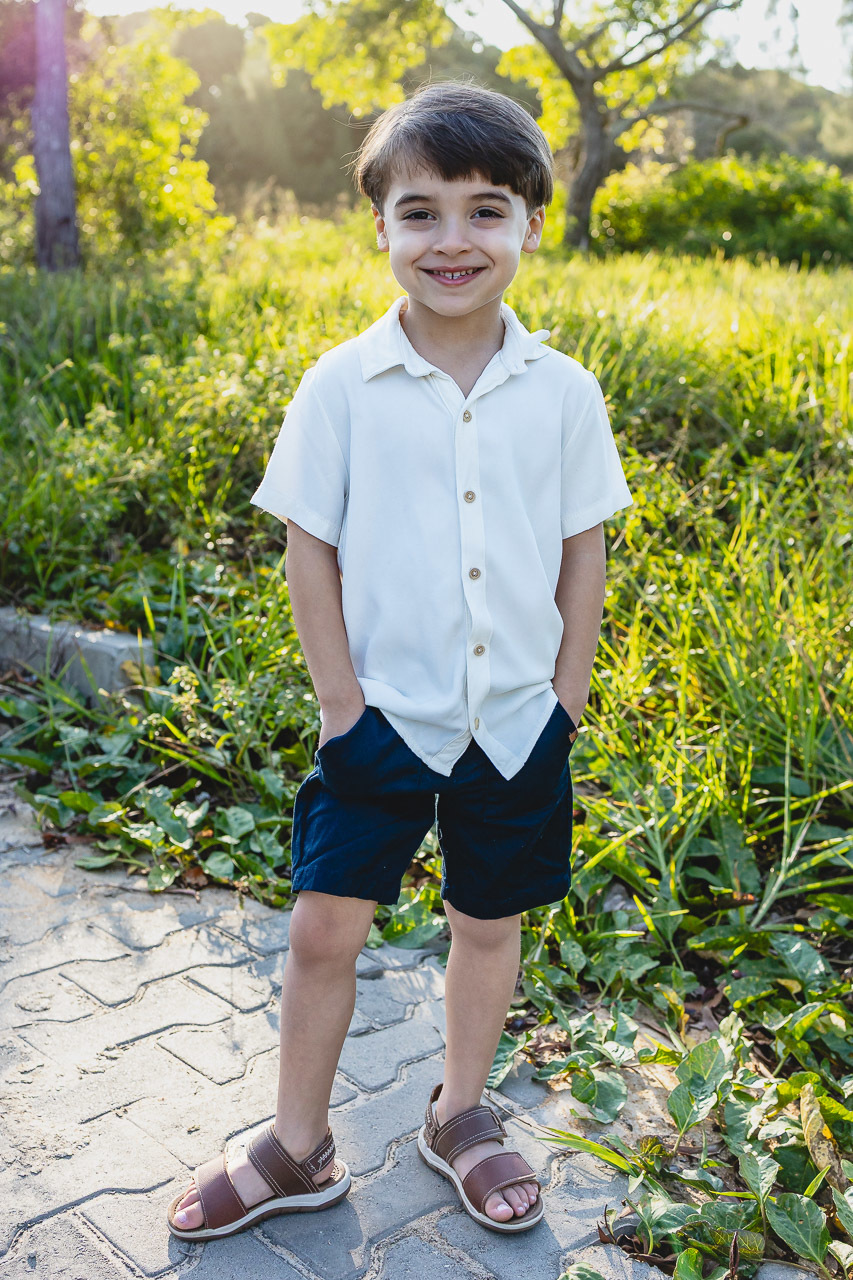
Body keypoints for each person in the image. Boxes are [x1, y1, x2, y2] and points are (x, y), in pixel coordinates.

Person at [167, 79, 632, 1243]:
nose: (452, 240)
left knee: (489, 921)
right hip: (382, 722)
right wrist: (341, 706)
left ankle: (461, 1113)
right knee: (324, 926)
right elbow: (305, 547)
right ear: (377, 226)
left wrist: (565, 699)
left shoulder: (565, 393)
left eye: (485, 210)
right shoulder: (340, 386)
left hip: (520, 723)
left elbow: (586, 551)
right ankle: (295, 1140)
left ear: (531, 222)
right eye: (419, 212)